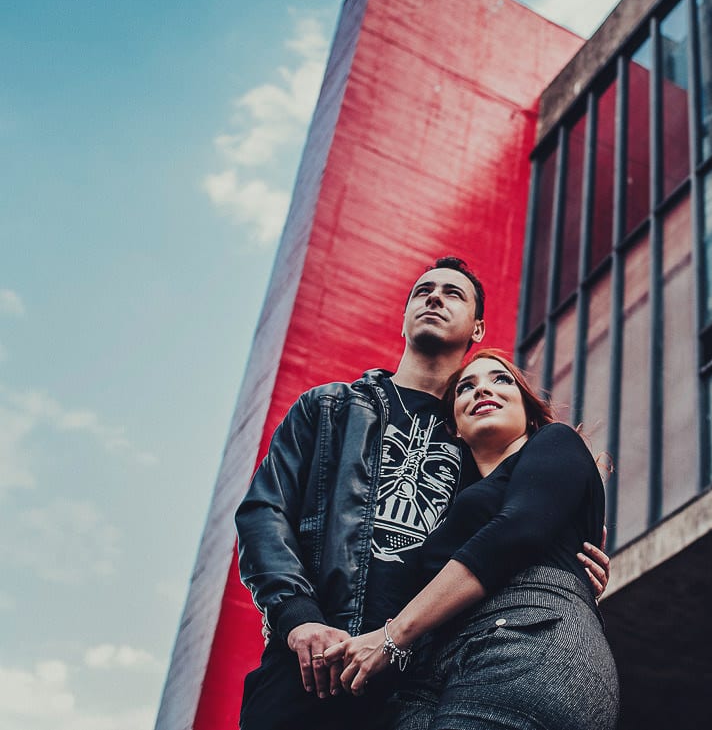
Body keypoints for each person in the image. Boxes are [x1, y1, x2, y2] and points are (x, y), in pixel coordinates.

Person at [235, 258, 610, 730]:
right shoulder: (330, 408)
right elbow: (263, 513)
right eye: (423, 291)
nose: (434, 297)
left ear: (478, 328)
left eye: (453, 293)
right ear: (404, 317)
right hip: (313, 663)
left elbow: (511, 532)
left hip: (416, 686)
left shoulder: (481, 438)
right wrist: (296, 616)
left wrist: (564, 562)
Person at [325, 349, 619, 730]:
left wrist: (391, 636)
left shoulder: (556, 442)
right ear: (454, 427)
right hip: (432, 669)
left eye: (500, 380)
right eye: (467, 387)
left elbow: (516, 532)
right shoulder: (451, 506)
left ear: (528, 410)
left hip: (526, 638)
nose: (483, 390)